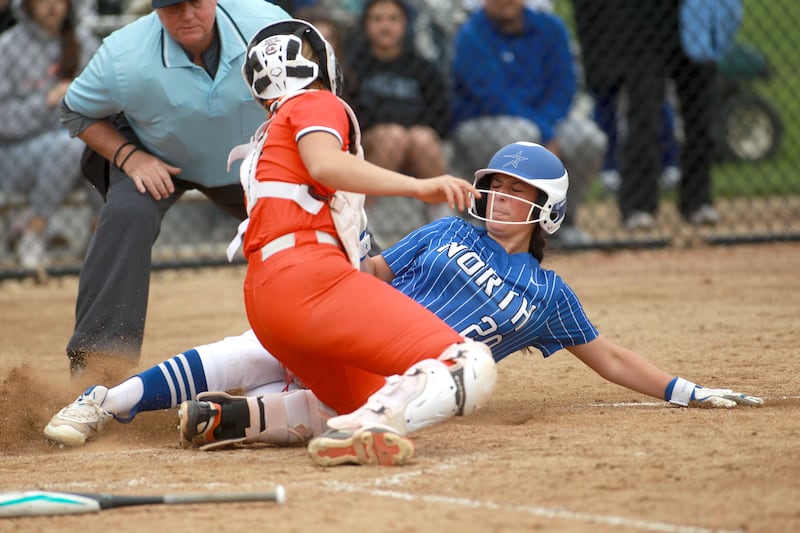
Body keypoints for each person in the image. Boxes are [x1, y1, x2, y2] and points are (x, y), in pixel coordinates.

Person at [45, 142, 762, 464]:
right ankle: (108, 401)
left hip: (394, 374)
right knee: (258, 347)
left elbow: (607, 356)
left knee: (342, 405)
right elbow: (371, 275)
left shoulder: (548, 294)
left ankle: (234, 419)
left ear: (548, 213)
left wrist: (683, 388)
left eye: (522, 193)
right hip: (356, 327)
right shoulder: (448, 229)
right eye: (500, 185)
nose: (504, 198)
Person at [58, 0, 290, 374]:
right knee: (127, 213)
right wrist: (129, 156)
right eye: (172, 6)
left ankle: (389, 318)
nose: (186, 15)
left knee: (323, 215)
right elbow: (75, 109)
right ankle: (97, 368)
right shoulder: (125, 55)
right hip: (157, 154)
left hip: (250, 161)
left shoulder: (268, 28)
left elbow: (319, 92)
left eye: (195, 2)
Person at [572, 0, 742, 230]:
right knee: (644, 116)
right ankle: (638, 206)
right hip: (646, 24)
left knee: (700, 117)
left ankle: (698, 201)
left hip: (696, 20)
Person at [449, 0, 607, 247]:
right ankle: (495, 225)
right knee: (521, 133)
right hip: (484, 123)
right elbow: (492, 97)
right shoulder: (472, 33)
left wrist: (547, 127)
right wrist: (543, 132)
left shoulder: (551, 28)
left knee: (588, 138)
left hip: (547, 122)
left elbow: (565, 86)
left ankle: (560, 222)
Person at [0, 0, 99, 274]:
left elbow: (109, 105)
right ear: (27, 6)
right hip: (15, 155)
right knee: (71, 145)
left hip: (77, 148)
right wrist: (46, 101)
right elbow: (3, 122)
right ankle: (35, 228)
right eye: (42, 0)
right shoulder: (7, 48)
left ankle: (102, 231)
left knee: (97, 148)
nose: (52, 6)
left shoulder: (84, 43)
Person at [345, 0, 452, 241]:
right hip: (373, 142)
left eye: (393, 19)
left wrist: (409, 129)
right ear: (365, 25)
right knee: (392, 135)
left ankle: (442, 218)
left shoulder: (422, 67)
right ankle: (361, 218)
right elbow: (351, 116)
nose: (385, 26)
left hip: (416, 143)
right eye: (378, 19)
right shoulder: (354, 65)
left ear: (405, 24)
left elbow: (440, 117)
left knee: (421, 137)